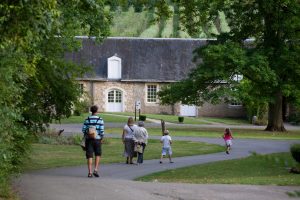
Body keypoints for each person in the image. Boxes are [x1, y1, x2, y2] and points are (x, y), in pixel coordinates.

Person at [82, 105, 104, 178]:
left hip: (89, 139)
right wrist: (101, 138)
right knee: (97, 154)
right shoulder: (100, 119)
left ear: (91, 111)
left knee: (90, 156)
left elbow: (83, 130)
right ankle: (96, 169)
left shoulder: (87, 119)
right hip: (97, 139)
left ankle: (89, 172)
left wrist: (89, 132)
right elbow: (101, 131)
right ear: (97, 111)